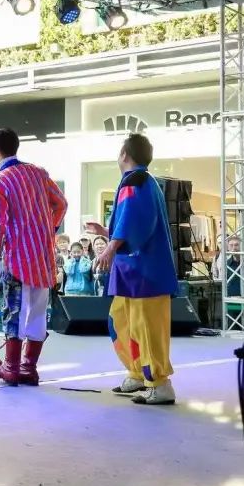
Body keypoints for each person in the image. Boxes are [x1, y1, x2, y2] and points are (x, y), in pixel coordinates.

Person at [91, 133, 178, 406]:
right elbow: (134, 222)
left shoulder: (136, 181)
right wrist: (107, 233)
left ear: (125, 155)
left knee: (146, 328)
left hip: (143, 272)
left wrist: (110, 247)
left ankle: (159, 383)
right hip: (134, 271)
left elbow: (134, 221)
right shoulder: (143, 182)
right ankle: (139, 372)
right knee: (122, 321)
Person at [0, 127, 68, 387]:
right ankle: (29, 368)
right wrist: (49, 229)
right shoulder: (39, 173)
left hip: (17, 258)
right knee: (38, 311)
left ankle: (11, 367)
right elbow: (61, 204)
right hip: (42, 256)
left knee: (14, 310)